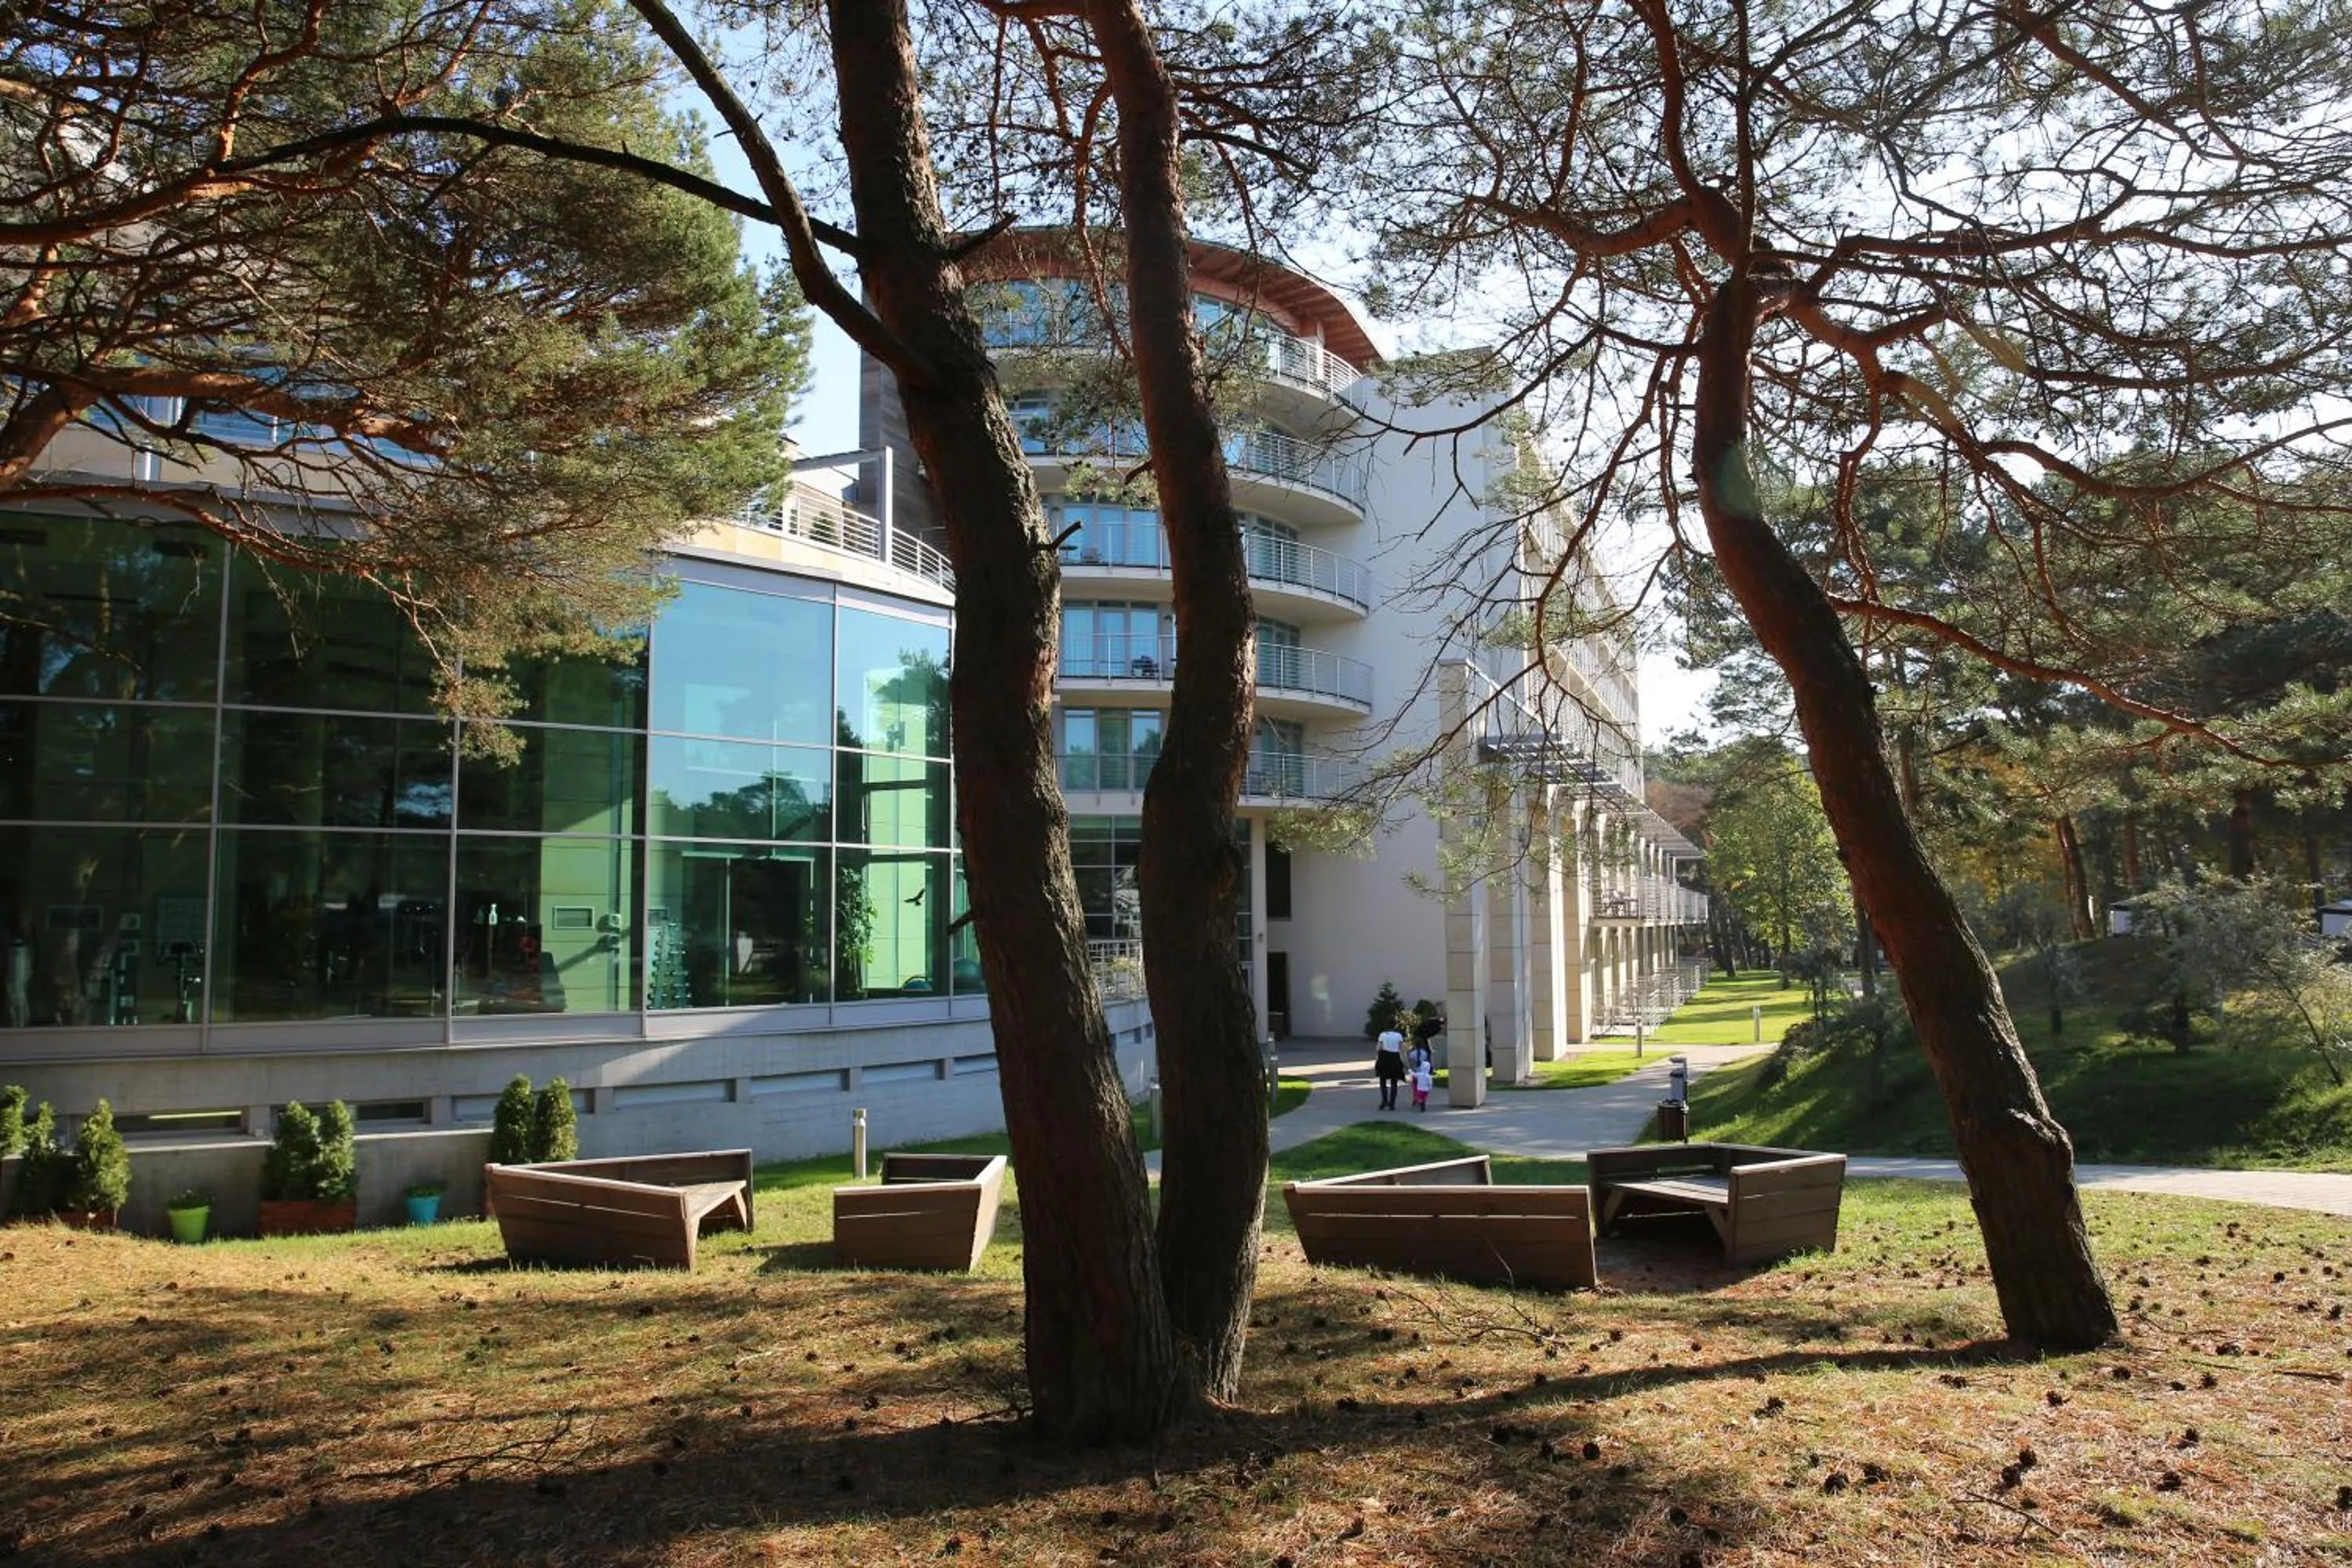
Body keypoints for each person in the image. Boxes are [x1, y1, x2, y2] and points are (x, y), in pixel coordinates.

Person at [1374, 1022, 1406, 1109]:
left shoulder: (1382, 1035)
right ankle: (1392, 1103)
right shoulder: (1399, 1036)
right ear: (1395, 1026)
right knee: (1394, 1082)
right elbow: (1401, 1049)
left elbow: (1378, 1048)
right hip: (1395, 1058)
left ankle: (1384, 1101)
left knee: (1383, 1081)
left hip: (1384, 1058)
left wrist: (1377, 1059)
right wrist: (1404, 1062)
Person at [1409, 1047, 1434, 1112]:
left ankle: (1416, 1099)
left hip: (1416, 1071)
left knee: (1415, 1087)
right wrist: (1430, 1087)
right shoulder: (1424, 1053)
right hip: (1426, 1090)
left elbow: (1411, 1062)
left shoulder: (1412, 1053)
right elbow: (1430, 1082)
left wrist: (1410, 1070)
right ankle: (1422, 1102)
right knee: (1424, 1097)